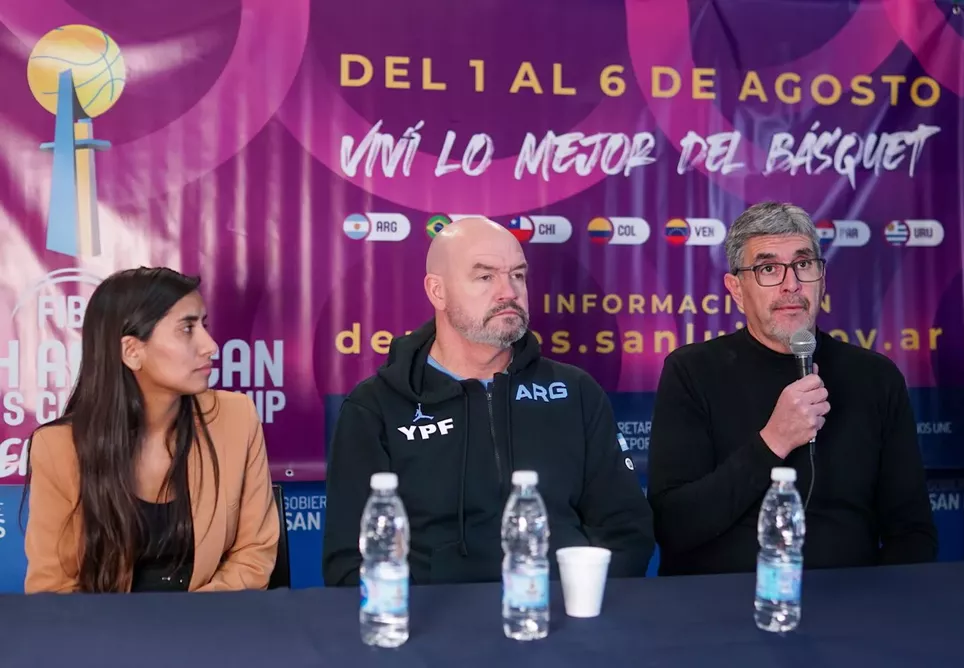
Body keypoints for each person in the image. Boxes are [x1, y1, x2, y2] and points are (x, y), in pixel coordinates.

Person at [323, 216, 654, 585]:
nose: (508, 291)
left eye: (517, 275)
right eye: (485, 277)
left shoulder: (576, 392)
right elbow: (349, 562)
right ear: (438, 292)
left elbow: (626, 530)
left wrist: (577, 604)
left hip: (556, 620)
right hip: (430, 629)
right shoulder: (375, 406)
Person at [647, 202, 938, 576]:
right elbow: (673, 526)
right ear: (736, 289)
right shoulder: (691, 372)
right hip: (718, 604)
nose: (791, 284)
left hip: (852, 606)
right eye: (768, 268)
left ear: (822, 278)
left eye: (804, 265)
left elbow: (912, 533)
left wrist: (874, 608)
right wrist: (774, 440)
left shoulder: (876, 377)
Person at [23, 267, 280, 593]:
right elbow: (53, 587)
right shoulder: (58, 446)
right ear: (132, 351)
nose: (211, 345)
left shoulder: (236, 417)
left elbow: (254, 554)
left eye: (203, 325)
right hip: (105, 634)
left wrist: (187, 623)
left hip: (212, 624)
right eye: (187, 329)